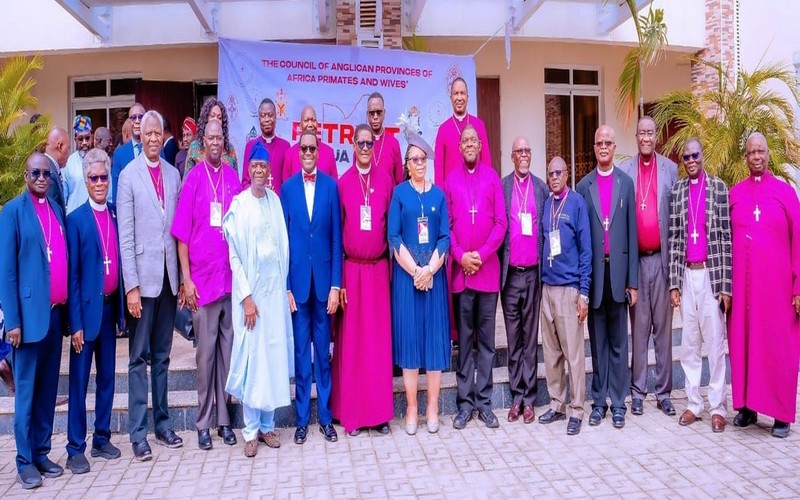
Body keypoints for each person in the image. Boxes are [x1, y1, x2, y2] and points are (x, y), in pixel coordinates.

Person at [117, 110, 184, 460]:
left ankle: (163, 424)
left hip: (169, 280)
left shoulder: (173, 174)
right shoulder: (128, 176)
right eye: (149, 133)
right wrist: (130, 286)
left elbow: (178, 231)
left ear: (163, 135)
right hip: (142, 283)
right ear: (139, 136)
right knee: (137, 358)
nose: (154, 138)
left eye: (159, 132)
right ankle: (138, 433)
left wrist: (183, 278)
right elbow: (125, 237)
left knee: (162, 356)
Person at [171, 120, 242, 450]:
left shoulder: (232, 178)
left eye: (219, 138)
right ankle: (202, 423)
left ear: (224, 142)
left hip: (229, 282)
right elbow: (182, 236)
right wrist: (186, 280)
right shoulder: (194, 178)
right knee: (205, 359)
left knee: (227, 356)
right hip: (201, 284)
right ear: (202, 142)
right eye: (210, 138)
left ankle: (224, 422)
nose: (215, 143)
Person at [0, 152, 69, 489]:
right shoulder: (12, 212)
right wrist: (12, 321)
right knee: (26, 393)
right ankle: (24, 460)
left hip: (54, 316)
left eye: (47, 174)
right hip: (26, 322)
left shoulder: (55, 209)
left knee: (47, 390)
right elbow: (6, 272)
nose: (42, 178)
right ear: (26, 175)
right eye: (36, 173)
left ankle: (42, 453)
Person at [223, 143, 293, 457]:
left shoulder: (274, 201)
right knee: (253, 363)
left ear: (269, 170)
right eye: (255, 166)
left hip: (274, 296)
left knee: (272, 360)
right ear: (248, 170)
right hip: (251, 298)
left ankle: (267, 427)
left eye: (264, 166)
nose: (259, 171)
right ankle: (250, 431)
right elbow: (235, 258)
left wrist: (284, 290)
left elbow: (282, 250)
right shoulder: (240, 205)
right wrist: (247, 297)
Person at [728, 132, 800, 438]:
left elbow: (798, 241)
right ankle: (747, 407)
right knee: (744, 346)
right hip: (743, 291)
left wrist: (798, 288)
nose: (756, 156)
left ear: (768, 155)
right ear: (745, 157)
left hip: (777, 292)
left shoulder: (786, 193)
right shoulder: (735, 194)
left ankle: (781, 414)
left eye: (761, 151)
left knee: (777, 347)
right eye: (751, 152)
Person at [330, 124, 394, 436]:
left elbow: (392, 229)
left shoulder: (386, 181)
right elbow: (336, 234)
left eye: (370, 143)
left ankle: (379, 415)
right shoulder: (343, 183)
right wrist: (339, 281)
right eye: (361, 143)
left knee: (377, 346)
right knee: (353, 347)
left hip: (378, 270)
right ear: (353, 145)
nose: (366, 148)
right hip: (352, 273)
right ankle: (352, 415)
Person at [65, 148, 125, 474]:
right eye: (94, 178)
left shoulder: (114, 213)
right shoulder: (75, 220)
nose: (100, 183)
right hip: (85, 316)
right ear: (86, 181)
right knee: (79, 383)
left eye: (104, 177)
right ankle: (75, 448)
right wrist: (74, 324)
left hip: (109, 310)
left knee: (106, 379)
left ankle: (102, 437)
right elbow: (72, 277)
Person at [280, 130, 342, 445]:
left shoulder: (331, 186)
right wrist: (287, 287)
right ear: (298, 152)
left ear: (318, 152)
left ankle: (326, 419)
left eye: (312, 149)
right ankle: (302, 420)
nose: (307, 153)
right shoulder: (287, 189)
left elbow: (336, 240)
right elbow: (283, 243)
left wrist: (336, 285)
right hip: (298, 287)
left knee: (323, 356)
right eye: (303, 148)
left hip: (323, 287)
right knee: (302, 354)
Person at [576, 124, 638, 430]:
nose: (603, 147)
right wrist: (582, 285)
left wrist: (633, 282)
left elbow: (632, 235)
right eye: (599, 142)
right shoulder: (583, 186)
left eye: (608, 143)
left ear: (614, 148)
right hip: (595, 279)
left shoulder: (626, 183)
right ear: (594, 148)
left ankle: (619, 403)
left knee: (618, 345)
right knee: (598, 344)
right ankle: (599, 403)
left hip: (618, 276)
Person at [668, 139, 730, 433]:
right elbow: (673, 239)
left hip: (710, 275)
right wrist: (673, 284)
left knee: (715, 343)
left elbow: (726, 240)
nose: (691, 160)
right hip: (686, 275)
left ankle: (718, 407)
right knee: (689, 343)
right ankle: (694, 403)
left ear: (702, 156)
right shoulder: (678, 191)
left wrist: (725, 286)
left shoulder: (718, 188)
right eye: (686, 157)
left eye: (695, 155)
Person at [389, 134, 450, 435]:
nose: (420, 163)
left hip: (434, 279)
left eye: (423, 159)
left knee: (435, 343)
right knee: (411, 343)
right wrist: (416, 271)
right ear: (407, 164)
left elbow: (445, 237)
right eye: (414, 159)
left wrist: (429, 270)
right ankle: (413, 407)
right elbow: (394, 237)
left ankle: (433, 407)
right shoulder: (399, 194)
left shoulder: (438, 196)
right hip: (407, 279)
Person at [447, 125, 507, 430]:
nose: (470, 144)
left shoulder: (492, 178)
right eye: (465, 141)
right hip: (462, 275)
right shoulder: (450, 181)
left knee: (486, 343)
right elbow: (447, 226)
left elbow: (501, 223)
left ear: (480, 146)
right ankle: (464, 404)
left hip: (487, 274)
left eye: (474, 140)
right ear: (460, 148)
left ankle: (484, 403)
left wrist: (480, 256)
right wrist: (461, 257)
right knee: (464, 342)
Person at [618, 116, 678, 417]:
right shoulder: (625, 171)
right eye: (641, 133)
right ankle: (638, 391)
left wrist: (676, 274)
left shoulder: (670, 169)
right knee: (639, 330)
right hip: (637, 263)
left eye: (650, 133)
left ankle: (664, 392)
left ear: (656, 137)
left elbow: (676, 221)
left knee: (663, 333)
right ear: (636, 137)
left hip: (662, 261)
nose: (645, 137)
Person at [539, 157, 592, 436]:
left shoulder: (577, 204)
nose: (555, 177)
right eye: (550, 173)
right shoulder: (547, 204)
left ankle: (577, 409)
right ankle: (557, 404)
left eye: (559, 172)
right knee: (552, 353)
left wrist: (584, 293)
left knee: (574, 354)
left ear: (567, 174)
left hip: (569, 288)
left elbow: (586, 251)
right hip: (547, 287)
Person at [498, 136, 547, 424]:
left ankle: (529, 399)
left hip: (533, 274)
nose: (525, 154)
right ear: (512, 156)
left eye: (528, 150)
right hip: (510, 275)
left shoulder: (540, 188)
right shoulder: (503, 186)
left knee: (530, 339)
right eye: (520, 151)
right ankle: (516, 396)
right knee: (513, 338)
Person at [434, 77, 491, 186]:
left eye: (462, 93)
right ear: (451, 98)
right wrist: (441, 195)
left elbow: (486, 162)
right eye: (456, 93)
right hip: (451, 191)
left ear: (467, 97)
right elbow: (439, 171)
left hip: (477, 189)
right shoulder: (443, 129)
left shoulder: (479, 125)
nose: (459, 98)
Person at [241, 98, 291, 193]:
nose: (267, 119)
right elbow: (245, 183)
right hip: (255, 200)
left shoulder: (285, 146)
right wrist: (258, 192)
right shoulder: (250, 146)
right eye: (263, 116)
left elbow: (287, 182)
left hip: (278, 201)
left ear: (275, 118)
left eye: (270, 115)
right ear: (259, 119)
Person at [282, 105, 338, 181]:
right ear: (300, 125)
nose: (310, 124)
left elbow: (334, 185)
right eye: (306, 120)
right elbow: (286, 186)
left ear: (317, 124)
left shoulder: (329, 152)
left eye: (313, 120)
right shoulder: (290, 154)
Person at [185, 97, 238, 174]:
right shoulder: (194, 147)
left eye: (219, 118)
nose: (216, 120)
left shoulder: (230, 149)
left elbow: (235, 179)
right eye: (212, 116)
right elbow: (188, 179)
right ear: (205, 119)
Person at [111, 103, 146, 204]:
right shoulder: (119, 154)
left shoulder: (157, 150)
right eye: (133, 117)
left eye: (140, 117)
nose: (137, 121)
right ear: (129, 122)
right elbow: (116, 188)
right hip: (128, 209)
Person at [366, 92, 404, 184]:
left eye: (379, 113)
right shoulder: (361, 143)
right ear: (367, 114)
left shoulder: (393, 143)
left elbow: (399, 180)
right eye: (372, 113)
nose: (375, 117)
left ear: (384, 113)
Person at [63, 115, 95, 214]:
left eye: (87, 138)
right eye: (80, 139)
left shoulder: (100, 159)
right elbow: (63, 196)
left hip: (95, 216)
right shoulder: (68, 162)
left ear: (92, 137)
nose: (84, 142)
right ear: (75, 140)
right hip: (74, 216)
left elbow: (109, 194)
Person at [43, 126, 70, 211]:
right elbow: (49, 212)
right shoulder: (49, 173)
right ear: (60, 146)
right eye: (68, 148)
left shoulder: (47, 166)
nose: (69, 153)